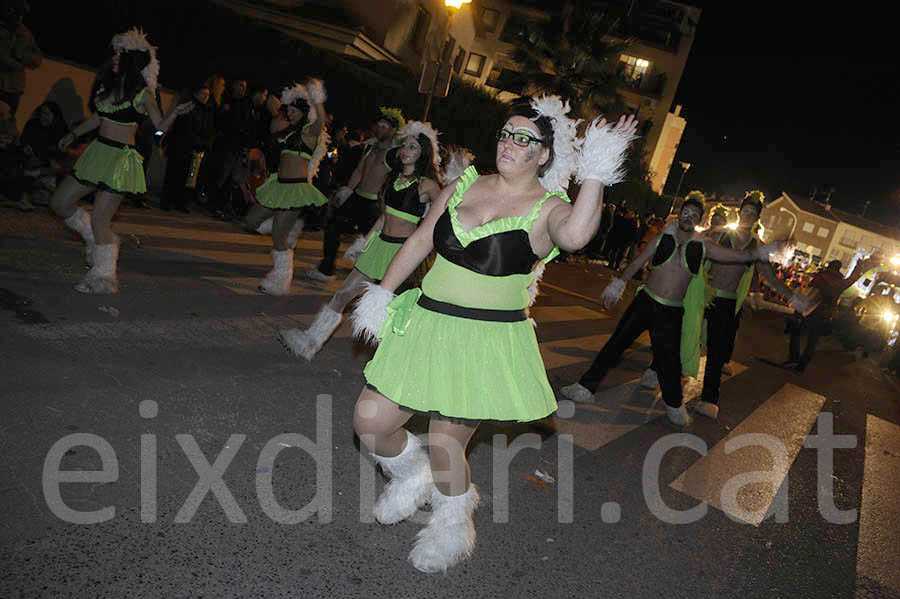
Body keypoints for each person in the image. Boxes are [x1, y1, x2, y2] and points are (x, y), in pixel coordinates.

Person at [349, 96, 638, 572]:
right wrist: (382, 292)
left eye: (525, 138)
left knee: (446, 446)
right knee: (370, 421)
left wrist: (598, 169)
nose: (510, 143)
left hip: (482, 342)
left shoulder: (550, 209)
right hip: (425, 323)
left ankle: (451, 527)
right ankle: (412, 474)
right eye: (507, 132)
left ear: (544, 153)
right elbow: (423, 237)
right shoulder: (466, 183)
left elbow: (577, 236)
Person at [560, 191, 791, 426]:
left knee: (669, 361)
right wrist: (618, 284)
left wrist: (762, 251)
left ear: (700, 221)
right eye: (686, 212)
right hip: (645, 303)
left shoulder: (704, 245)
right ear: (679, 214)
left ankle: (674, 403)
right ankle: (585, 386)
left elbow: (736, 256)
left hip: (670, 312)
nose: (689, 217)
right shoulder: (661, 238)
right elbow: (638, 262)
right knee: (615, 344)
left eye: (694, 215)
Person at [277, 121, 445, 360]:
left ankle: (400, 361)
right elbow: (384, 217)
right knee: (343, 293)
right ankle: (310, 341)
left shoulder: (427, 185)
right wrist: (365, 242)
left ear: (423, 153)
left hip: (402, 254)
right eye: (405, 146)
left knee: (395, 311)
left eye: (414, 147)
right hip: (380, 246)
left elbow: (443, 215)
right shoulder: (392, 178)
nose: (407, 151)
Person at [51, 27, 192, 294]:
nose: (115, 57)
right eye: (114, 52)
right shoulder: (107, 86)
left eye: (121, 53)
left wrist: (173, 115)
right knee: (59, 202)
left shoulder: (143, 95)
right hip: (97, 152)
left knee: (101, 220)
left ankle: (104, 276)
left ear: (133, 60)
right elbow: (98, 117)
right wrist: (73, 134)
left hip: (119, 160)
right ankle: (95, 238)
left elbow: (159, 128)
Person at [693, 191, 814, 419]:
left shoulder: (757, 245)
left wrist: (793, 296)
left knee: (717, 353)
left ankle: (709, 398)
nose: (748, 215)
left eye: (753, 213)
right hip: (702, 295)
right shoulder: (720, 234)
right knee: (685, 336)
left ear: (757, 218)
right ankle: (661, 371)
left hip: (727, 301)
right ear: (738, 213)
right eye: (745, 211)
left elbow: (769, 276)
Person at [242, 80, 328, 295]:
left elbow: (322, 119)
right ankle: (287, 229)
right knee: (250, 222)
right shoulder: (286, 131)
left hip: (295, 189)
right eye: (287, 109)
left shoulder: (309, 132)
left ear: (303, 110)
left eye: (293, 109)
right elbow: (272, 124)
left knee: (278, 236)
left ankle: (280, 281)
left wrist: (316, 98)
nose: (289, 112)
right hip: (277, 186)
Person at [306, 107, 404, 282]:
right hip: (357, 199)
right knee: (333, 226)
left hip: (374, 205)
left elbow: (395, 180)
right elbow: (359, 170)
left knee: (373, 245)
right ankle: (326, 269)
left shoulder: (395, 155)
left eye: (385, 126)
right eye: (379, 125)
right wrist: (347, 190)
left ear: (393, 130)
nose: (380, 128)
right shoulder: (369, 148)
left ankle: (377, 282)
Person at [780, 256, 878, 373]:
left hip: (810, 312)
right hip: (825, 315)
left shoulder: (820, 278)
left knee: (796, 333)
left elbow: (808, 293)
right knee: (812, 342)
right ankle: (802, 365)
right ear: (838, 269)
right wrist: (859, 266)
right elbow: (853, 278)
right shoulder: (841, 283)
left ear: (829, 266)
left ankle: (793, 358)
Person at [161, 83, 215, 212]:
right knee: (173, 174)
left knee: (186, 177)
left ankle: (179, 202)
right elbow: (184, 129)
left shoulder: (206, 110)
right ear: (196, 94)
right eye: (203, 94)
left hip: (193, 148)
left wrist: (204, 143)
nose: (206, 97)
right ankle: (167, 201)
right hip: (180, 147)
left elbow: (208, 129)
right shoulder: (189, 107)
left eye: (208, 95)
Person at [0, 0, 41, 118]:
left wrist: (21, 55)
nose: (19, 17)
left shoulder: (25, 33)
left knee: (6, 123)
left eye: (21, 14)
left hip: (14, 88)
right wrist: (15, 63)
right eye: (16, 12)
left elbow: (37, 60)